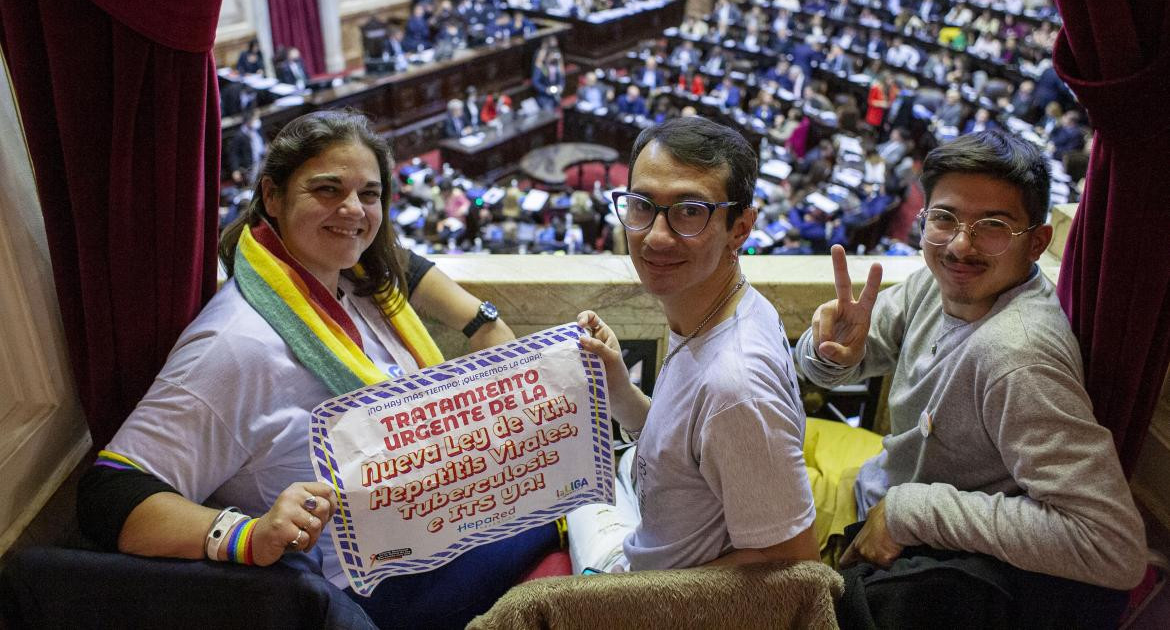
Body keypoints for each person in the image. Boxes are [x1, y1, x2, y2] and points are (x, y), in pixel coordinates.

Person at [77, 111, 556, 629]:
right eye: (327, 189)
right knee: (578, 505)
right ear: (274, 196)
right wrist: (248, 535)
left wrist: (483, 323)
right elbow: (109, 495)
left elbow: (399, 258)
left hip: (430, 523)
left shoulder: (355, 274)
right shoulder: (236, 344)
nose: (352, 210)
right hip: (371, 586)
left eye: (369, 194)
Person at [795, 131, 1146, 625]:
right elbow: (843, 359)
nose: (961, 245)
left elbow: (1110, 544)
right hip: (877, 486)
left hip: (907, 548)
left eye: (993, 225)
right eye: (944, 219)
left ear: (1037, 241)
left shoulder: (1018, 356)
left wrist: (909, 512)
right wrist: (827, 352)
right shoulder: (936, 282)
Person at [568, 116, 818, 573]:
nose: (657, 236)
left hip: (655, 594)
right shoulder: (721, 302)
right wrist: (619, 392)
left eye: (690, 211)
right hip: (654, 527)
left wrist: (639, 600)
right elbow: (682, 455)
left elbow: (792, 564)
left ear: (740, 228)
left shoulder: (735, 387)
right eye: (642, 205)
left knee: (566, 493)